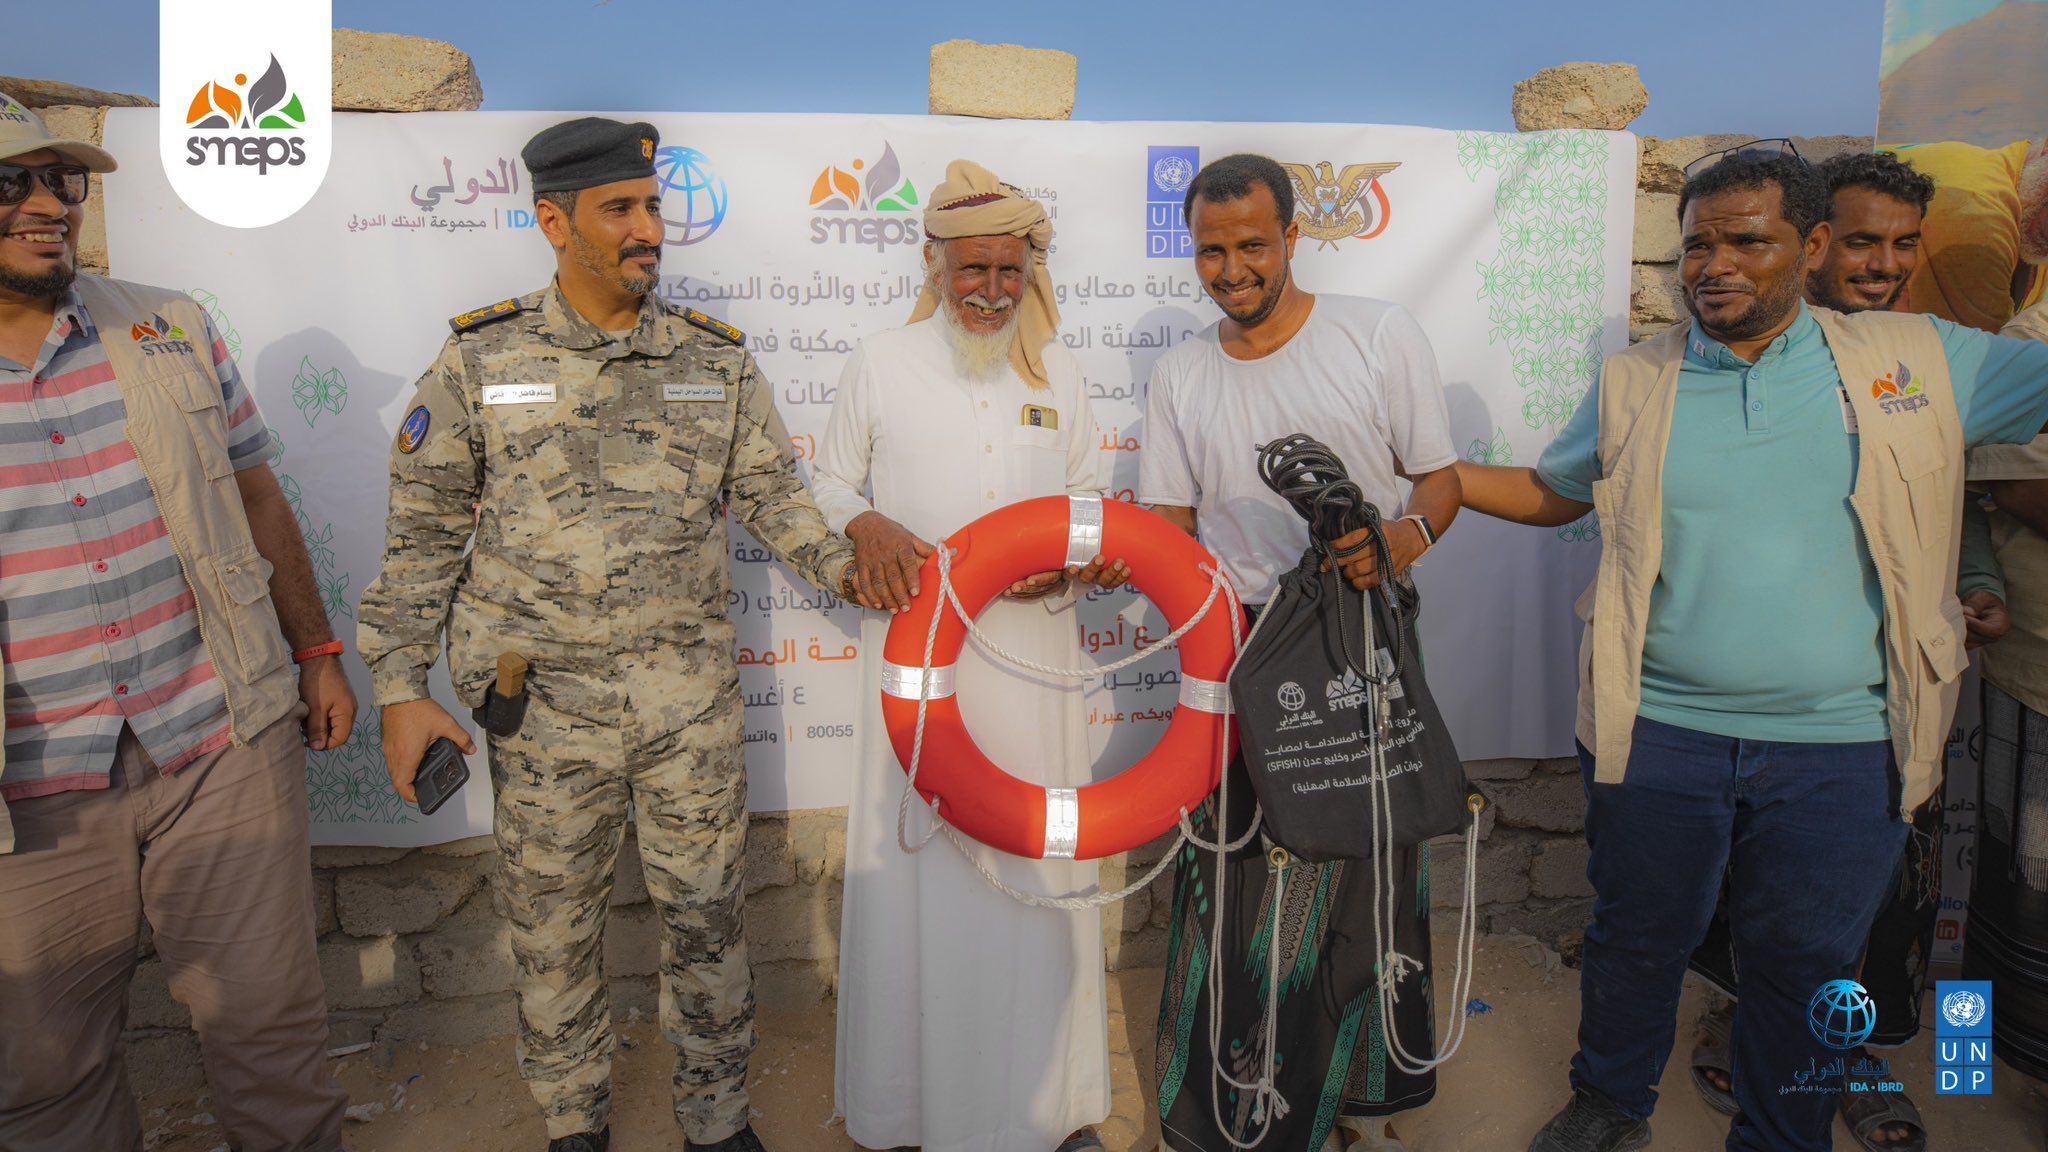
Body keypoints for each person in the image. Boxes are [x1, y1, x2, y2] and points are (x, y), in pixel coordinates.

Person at [1453, 144, 2048, 1152]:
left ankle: (1780, 1133)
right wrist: (1435, 481)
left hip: (1846, 743)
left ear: (1806, 247)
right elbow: (1552, 494)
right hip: (1657, 731)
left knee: (1806, 962)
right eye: (1694, 245)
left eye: (1743, 240)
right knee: (1635, 940)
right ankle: (1608, 1104)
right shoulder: (1634, 382)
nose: (1711, 264)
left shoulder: (1916, 360)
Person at [356, 117, 859, 1152]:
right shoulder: (481, 361)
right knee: (551, 937)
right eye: (619, 210)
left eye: (651, 207)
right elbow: (420, 541)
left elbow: (776, 499)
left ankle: (717, 1125)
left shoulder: (711, 363)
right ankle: (574, 1124)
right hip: (542, 715)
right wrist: (400, 691)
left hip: (688, 712)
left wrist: (857, 568)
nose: (647, 229)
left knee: (709, 927)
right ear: (554, 220)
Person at [0, 94, 354, 1150]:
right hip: (30, 803)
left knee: (270, 1033)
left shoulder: (166, 324)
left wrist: (318, 653)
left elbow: (254, 498)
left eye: (62, 182)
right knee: (42, 1071)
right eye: (10, 183)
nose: (45, 204)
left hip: (218, 740)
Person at [1140, 153, 1462, 1152]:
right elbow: (1164, 518)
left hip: (1358, 637)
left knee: (1364, 876)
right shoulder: (1180, 371)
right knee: (1239, 889)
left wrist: (1393, 544)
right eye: (1209, 250)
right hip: (1238, 649)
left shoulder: (1377, 334)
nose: (1229, 269)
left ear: (1289, 238)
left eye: (1249, 245)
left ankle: (1359, 1101)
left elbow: (1438, 483)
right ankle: (1245, 1113)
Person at [811, 159, 1127, 1152]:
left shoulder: (1058, 371)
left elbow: (1089, 505)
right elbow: (821, 483)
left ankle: (1056, 1110)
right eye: (971, 270)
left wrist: (1070, 568)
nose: (990, 292)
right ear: (932, 261)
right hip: (919, 675)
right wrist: (861, 523)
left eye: (1008, 270)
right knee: (923, 884)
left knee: (1036, 872)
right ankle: (908, 1112)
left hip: (1032, 671)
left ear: (1030, 268)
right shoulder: (880, 360)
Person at [1683, 148, 1967, 1152]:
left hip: (1886, 692)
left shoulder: (1926, 359)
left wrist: (1965, 582)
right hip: (1748, 706)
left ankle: (1846, 1051)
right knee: (1749, 894)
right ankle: (1745, 1025)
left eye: (1900, 245)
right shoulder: (1713, 358)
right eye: (1858, 241)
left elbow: (1951, 486)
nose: (1879, 263)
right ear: (1807, 247)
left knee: (1878, 892)